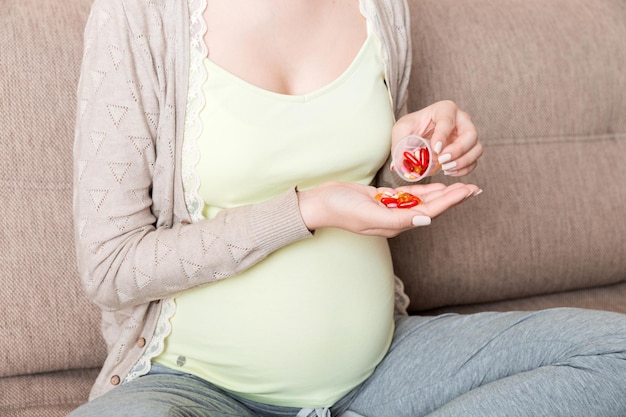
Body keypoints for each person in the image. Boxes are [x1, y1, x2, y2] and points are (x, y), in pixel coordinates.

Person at [69, 0, 626, 416]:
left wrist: (412, 157)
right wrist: (306, 211)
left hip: (380, 370)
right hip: (194, 388)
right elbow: (111, 267)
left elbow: (372, 183)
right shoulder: (140, 18)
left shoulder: (380, 7)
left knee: (615, 354)